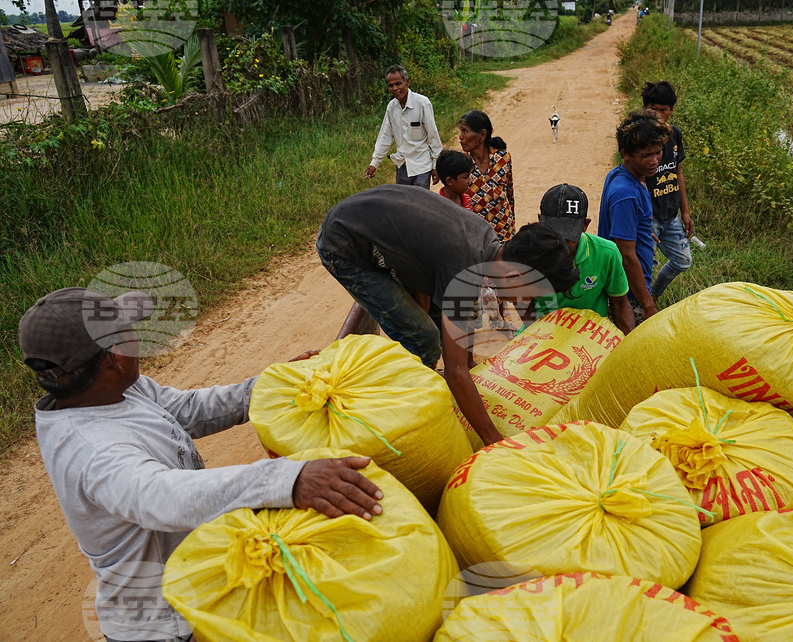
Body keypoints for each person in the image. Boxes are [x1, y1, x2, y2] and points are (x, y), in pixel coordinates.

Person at [19, 287, 384, 642]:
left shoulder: (116, 390)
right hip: (165, 623)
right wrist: (289, 480)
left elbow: (186, 411)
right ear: (113, 357)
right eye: (129, 331)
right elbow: (167, 497)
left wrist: (268, 388)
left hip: (192, 590)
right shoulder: (94, 452)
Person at [317, 185, 578, 446]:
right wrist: (495, 440)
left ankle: (418, 381)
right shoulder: (463, 269)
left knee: (445, 321)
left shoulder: (485, 242)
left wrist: (468, 366)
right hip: (343, 243)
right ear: (514, 277)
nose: (524, 303)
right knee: (424, 340)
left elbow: (432, 276)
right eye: (529, 295)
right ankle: (386, 414)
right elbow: (454, 372)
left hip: (367, 221)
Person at [598, 111, 670, 325]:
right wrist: (647, 305)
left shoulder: (623, 175)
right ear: (626, 154)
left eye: (658, 152)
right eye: (646, 155)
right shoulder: (626, 193)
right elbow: (627, 256)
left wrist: (640, 229)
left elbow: (621, 222)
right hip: (630, 295)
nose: (654, 160)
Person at [534, 183, 635, 335]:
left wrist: (630, 346)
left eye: (568, 235)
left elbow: (620, 304)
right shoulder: (529, 254)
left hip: (590, 338)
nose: (560, 241)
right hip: (542, 335)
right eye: (553, 233)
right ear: (540, 221)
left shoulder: (607, 253)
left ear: (585, 225)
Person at [642, 80, 692, 302]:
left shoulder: (675, 135)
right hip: (649, 216)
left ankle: (654, 295)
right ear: (645, 109)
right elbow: (638, 180)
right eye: (654, 109)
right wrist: (643, 217)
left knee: (683, 261)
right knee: (644, 265)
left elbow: (678, 172)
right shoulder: (640, 139)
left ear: (671, 110)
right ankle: (639, 305)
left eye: (664, 109)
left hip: (670, 215)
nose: (659, 114)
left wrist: (685, 212)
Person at [365, 65, 444, 190]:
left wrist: (436, 165)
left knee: (420, 202)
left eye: (398, 84)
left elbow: (433, 137)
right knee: (404, 204)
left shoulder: (422, 103)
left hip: (422, 165)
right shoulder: (391, 107)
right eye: (391, 85)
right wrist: (374, 163)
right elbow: (385, 136)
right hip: (402, 165)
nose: (395, 88)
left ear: (407, 82)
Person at [459, 110, 515, 242]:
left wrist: (512, 229)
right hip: (476, 237)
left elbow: (509, 195)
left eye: (465, 131)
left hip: (504, 234)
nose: (460, 136)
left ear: (482, 135)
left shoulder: (503, 159)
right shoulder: (462, 165)